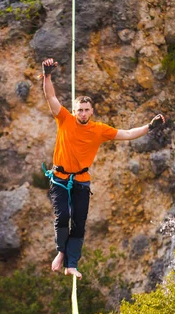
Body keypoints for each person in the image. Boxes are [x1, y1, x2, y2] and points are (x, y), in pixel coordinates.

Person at [42, 57, 165, 279]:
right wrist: (47, 75)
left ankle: (72, 264)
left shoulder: (99, 130)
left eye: (86, 110)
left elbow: (126, 134)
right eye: (79, 110)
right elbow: (50, 96)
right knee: (63, 217)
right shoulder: (64, 119)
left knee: (79, 222)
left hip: (80, 180)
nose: (82, 113)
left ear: (91, 112)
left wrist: (149, 127)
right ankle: (61, 252)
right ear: (74, 110)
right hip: (60, 178)